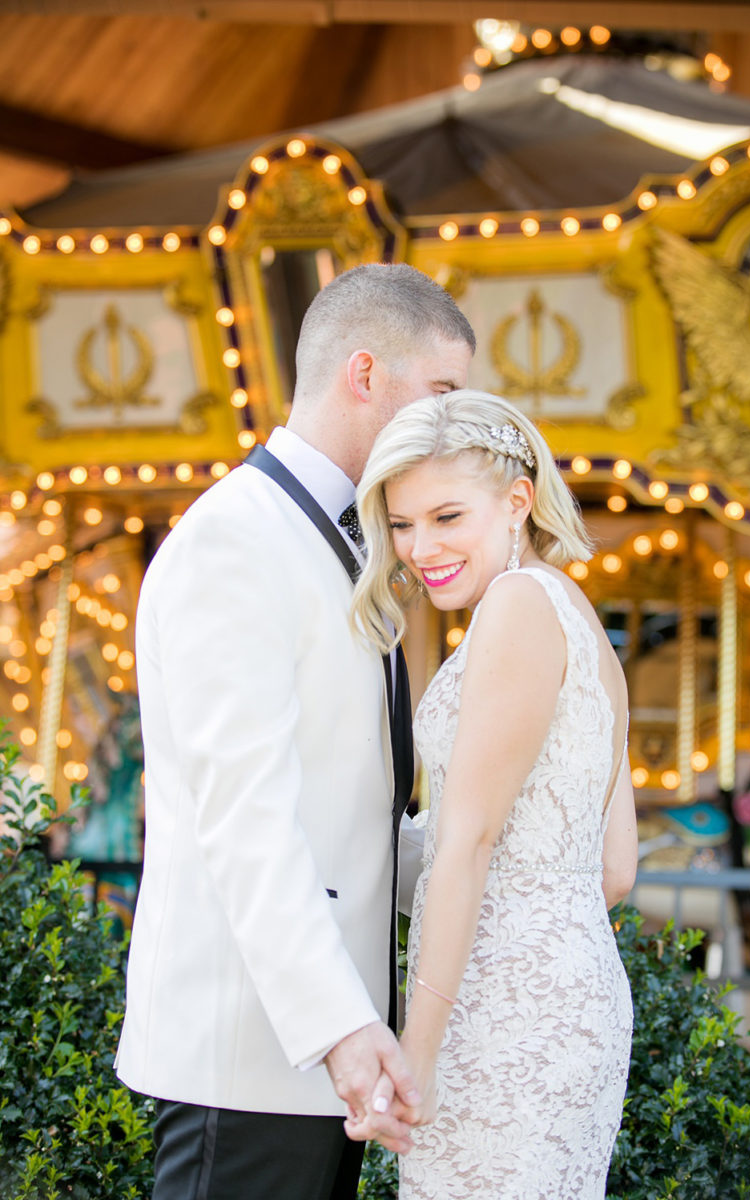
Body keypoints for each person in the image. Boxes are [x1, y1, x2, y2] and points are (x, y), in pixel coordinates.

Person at [114, 263, 475, 1200]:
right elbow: (246, 819)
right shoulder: (233, 541)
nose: (451, 423)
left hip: (326, 1055)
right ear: (365, 376)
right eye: (440, 392)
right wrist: (340, 1031)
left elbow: (345, 811)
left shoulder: (345, 541)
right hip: (251, 1056)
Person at [350, 389, 638, 1199]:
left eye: (447, 517)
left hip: (499, 1009)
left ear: (516, 502)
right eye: (401, 525)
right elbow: (614, 871)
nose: (418, 547)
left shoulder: (515, 606)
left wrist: (420, 1055)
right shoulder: (578, 616)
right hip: (574, 992)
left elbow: (468, 842)